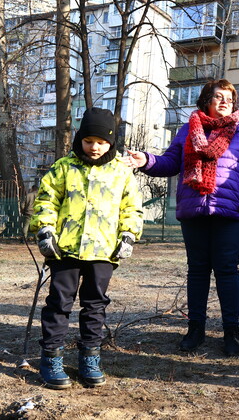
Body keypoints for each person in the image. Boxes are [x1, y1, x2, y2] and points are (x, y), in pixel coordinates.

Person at [127, 79, 239, 357]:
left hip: (230, 212)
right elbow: (170, 163)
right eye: (218, 96)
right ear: (207, 101)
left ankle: (231, 332)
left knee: (227, 270)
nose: (224, 101)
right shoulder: (188, 129)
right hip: (194, 210)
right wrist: (146, 160)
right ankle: (196, 329)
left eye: (229, 97)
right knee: (198, 270)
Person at [30, 107, 143, 389]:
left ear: (112, 143)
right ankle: (51, 358)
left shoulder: (122, 173)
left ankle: (90, 357)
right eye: (89, 140)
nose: (95, 147)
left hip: (104, 252)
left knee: (94, 305)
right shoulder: (63, 168)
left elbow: (132, 208)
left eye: (102, 142)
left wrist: (128, 235)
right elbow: (46, 201)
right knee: (59, 303)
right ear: (79, 138)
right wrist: (45, 230)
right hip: (64, 250)